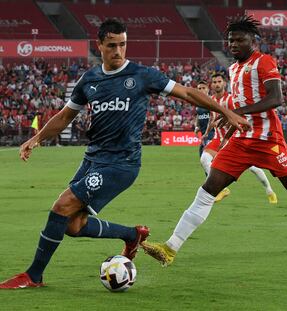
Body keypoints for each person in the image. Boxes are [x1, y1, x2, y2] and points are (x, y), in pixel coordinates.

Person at [0, 19, 249, 289]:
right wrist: (36, 138)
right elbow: (64, 117)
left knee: (61, 206)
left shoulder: (143, 75)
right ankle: (133, 235)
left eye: (123, 44)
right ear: (100, 46)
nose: (118, 51)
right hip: (92, 159)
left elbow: (188, 93)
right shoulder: (90, 80)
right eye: (112, 46)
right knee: (72, 226)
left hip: (121, 164)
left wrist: (227, 112)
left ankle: (33, 276)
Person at [141, 16, 287, 267]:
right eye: (231, 40)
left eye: (240, 40)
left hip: (268, 141)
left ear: (254, 41)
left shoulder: (264, 62)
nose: (234, 44)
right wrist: (228, 117)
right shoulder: (233, 69)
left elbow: (276, 98)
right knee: (208, 190)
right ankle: (170, 248)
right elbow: (240, 101)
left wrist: (237, 114)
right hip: (241, 142)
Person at [200, 72, 278, 203]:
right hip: (218, 139)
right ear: (211, 85)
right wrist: (207, 132)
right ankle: (222, 189)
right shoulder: (211, 100)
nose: (217, 84)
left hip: (233, 138)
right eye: (214, 82)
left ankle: (269, 190)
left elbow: (240, 118)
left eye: (219, 81)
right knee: (204, 159)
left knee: (253, 168)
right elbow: (212, 119)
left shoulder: (230, 100)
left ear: (224, 83)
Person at [194, 80, 214, 158]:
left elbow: (214, 118)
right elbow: (198, 116)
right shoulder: (198, 103)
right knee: (203, 159)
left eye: (203, 88)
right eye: (199, 88)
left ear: (208, 89)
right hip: (204, 136)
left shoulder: (212, 101)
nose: (201, 90)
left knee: (207, 159)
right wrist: (196, 127)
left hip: (212, 135)